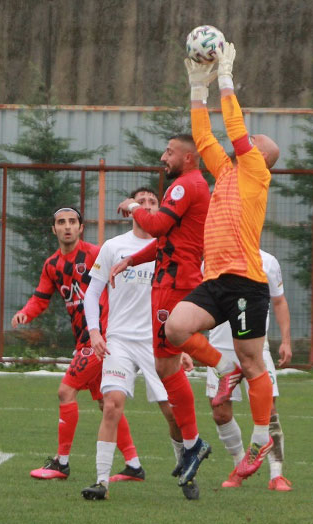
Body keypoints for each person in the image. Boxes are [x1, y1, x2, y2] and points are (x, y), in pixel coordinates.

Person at [155, 41, 284, 484]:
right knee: (175, 328)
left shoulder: (256, 172)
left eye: (254, 141)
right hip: (216, 280)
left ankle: (261, 439)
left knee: (254, 363)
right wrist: (197, 87)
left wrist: (225, 78)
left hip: (247, 282)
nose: (246, 140)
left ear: (261, 156)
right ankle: (222, 367)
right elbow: (205, 136)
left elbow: (233, 128)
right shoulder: (227, 171)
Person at [79, 188, 198, 500]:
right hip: (119, 340)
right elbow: (92, 293)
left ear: (160, 209)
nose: (146, 205)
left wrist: (184, 345)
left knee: (173, 414)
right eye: (141, 201)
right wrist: (95, 332)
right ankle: (101, 482)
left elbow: (185, 300)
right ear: (131, 209)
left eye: (152, 202)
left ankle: (186, 472)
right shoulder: (114, 246)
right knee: (111, 405)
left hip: (158, 343)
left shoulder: (170, 247)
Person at [109, 135, 212, 488]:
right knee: (166, 365)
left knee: (167, 365)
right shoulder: (189, 185)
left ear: (189, 156)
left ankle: (193, 443)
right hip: (170, 282)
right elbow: (167, 241)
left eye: (170, 152)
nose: (163, 157)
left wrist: (133, 206)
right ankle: (191, 443)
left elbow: (155, 227)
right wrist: (132, 260)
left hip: (175, 285)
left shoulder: (185, 186)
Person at [12, 206, 139, 480]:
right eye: (61, 222)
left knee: (65, 391)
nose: (67, 226)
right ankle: (134, 465)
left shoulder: (95, 254)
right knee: (106, 403)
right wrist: (25, 313)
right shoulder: (52, 265)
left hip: (101, 339)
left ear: (81, 228)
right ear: (54, 229)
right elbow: (40, 298)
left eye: (72, 222)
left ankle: (61, 463)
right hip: (85, 341)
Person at [205, 249, 293, 491]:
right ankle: (239, 466)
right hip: (220, 350)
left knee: (269, 409)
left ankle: (277, 475)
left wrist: (286, 341)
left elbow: (279, 301)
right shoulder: (211, 258)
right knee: (220, 413)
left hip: (256, 347)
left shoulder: (268, 262)